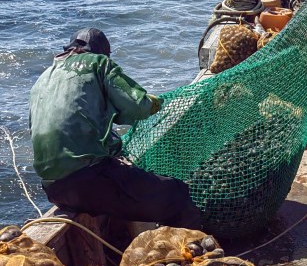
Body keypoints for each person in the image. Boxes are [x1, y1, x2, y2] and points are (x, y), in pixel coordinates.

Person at [29, 28, 202, 231]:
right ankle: (189, 256)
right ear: (101, 52)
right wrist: (152, 103)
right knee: (178, 195)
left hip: (55, 191)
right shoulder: (98, 63)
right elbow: (137, 105)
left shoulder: (43, 78)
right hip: (89, 181)